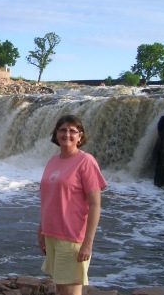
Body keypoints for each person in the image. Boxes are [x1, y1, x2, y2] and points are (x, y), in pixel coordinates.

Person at [38, 114, 107, 295]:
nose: (66, 134)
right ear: (56, 133)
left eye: (72, 131)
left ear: (80, 136)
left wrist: (88, 243)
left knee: (70, 291)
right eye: (62, 130)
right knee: (61, 289)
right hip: (52, 234)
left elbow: (95, 205)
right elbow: (50, 198)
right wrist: (41, 229)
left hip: (72, 237)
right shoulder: (53, 160)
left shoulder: (86, 162)